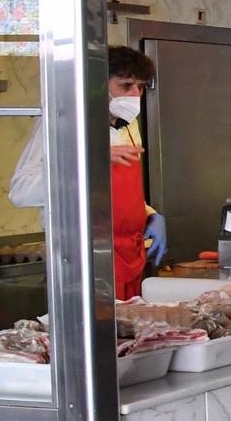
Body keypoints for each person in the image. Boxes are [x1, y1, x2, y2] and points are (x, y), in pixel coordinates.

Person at [9, 44, 164, 301]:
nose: (135, 95)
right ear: (98, 84)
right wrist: (87, 161)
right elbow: (21, 191)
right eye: (126, 86)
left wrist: (150, 215)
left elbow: (117, 190)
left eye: (141, 87)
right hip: (84, 262)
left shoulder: (128, 126)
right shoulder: (62, 124)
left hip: (130, 258)